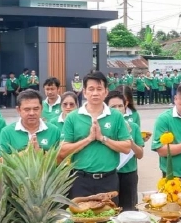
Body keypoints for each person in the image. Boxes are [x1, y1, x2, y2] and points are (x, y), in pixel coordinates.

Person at [57, 72, 132, 200]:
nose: (95, 93)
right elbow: (63, 151)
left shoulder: (116, 116)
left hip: (108, 180)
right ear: (84, 92)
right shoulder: (72, 117)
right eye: (91, 89)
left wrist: (103, 138)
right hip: (80, 180)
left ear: (106, 92)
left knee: (109, 212)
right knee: (80, 213)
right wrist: (89, 139)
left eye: (99, 89)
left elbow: (126, 147)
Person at [107, 90, 145, 211]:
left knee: (129, 210)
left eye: (120, 106)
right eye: (113, 107)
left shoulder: (133, 127)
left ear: (125, 108)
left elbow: (140, 154)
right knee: (110, 210)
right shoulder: (103, 128)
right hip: (109, 174)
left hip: (128, 174)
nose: (117, 109)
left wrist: (130, 140)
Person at [0, 90, 61, 156]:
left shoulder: (54, 131)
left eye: (36, 109)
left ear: (41, 108)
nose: (32, 113)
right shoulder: (7, 132)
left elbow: (60, 158)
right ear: (18, 110)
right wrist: (25, 153)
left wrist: (40, 152)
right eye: (27, 109)